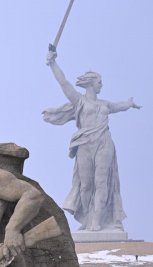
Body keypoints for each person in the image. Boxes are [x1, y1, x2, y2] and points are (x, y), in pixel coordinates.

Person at [43, 49, 140, 232]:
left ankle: (97, 220)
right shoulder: (79, 101)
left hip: (104, 142)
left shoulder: (105, 105)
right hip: (84, 144)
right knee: (86, 185)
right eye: (99, 82)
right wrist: (53, 63)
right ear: (90, 83)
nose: (102, 85)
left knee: (101, 182)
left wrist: (130, 103)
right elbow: (63, 83)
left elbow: (120, 106)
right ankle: (88, 219)